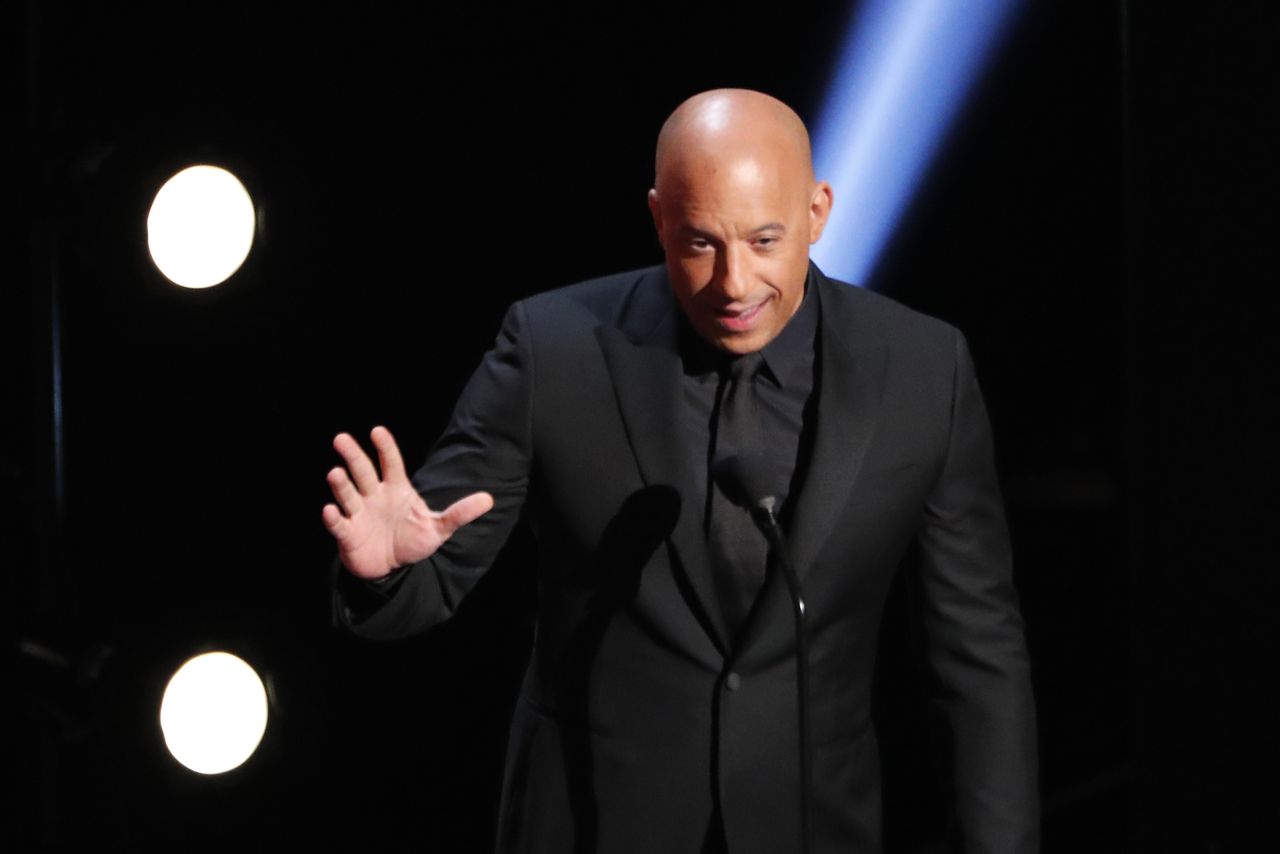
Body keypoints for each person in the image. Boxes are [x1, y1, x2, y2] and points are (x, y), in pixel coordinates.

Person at [324, 89, 1039, 853]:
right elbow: (431, 579)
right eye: (701, 243)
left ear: (818, 212)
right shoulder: (553, 351)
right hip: (591, 825)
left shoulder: (924, 371)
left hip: (812, 826)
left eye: (765, 240)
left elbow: (977, 653)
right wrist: (384, 574)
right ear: (660, 217)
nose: (734, 284)